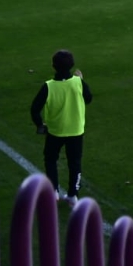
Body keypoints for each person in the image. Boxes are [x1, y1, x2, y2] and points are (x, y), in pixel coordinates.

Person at [30, 49, 90, 203]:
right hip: (76, 130)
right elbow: (88, 99)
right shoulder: (78, 82)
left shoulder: (48, 86)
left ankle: (54, 191)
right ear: (72, 65)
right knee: (75, 162)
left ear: (53, 66)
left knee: (50, 159)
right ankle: (73, 194)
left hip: (55, 131)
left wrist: (40, 125)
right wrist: (82, 80)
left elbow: (34, 109)